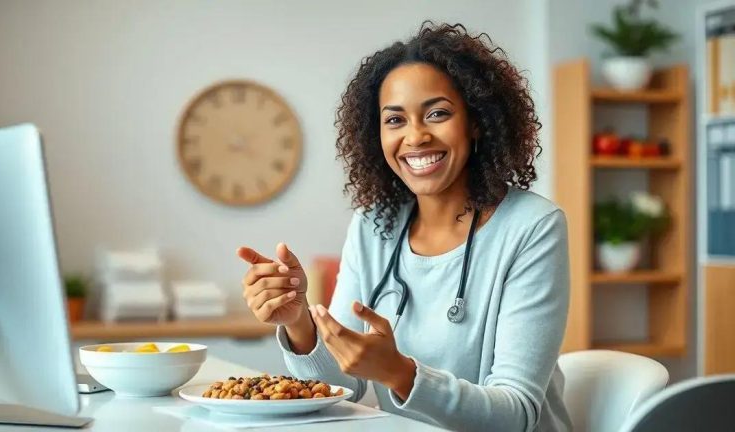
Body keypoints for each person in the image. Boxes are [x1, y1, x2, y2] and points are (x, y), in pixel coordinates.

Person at [237, 22, 572, 432]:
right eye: (395, 120)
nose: (416, 136)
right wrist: (298, 322)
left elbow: (516, 415)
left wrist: (401, 374)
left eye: (437, 114)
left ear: (477, 121)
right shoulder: (373, 226)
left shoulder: (532, 228)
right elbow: (342, 385)